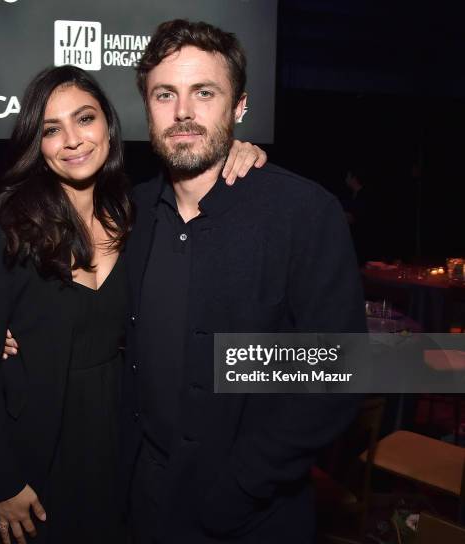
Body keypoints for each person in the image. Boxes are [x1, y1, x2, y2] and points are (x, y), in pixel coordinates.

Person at [0, 65, 265, 543]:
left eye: (85, 119)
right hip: (34, 443)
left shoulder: (137, 213)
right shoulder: (6, 229)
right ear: (36, 145)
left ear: (108, 125)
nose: (72, 140)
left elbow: (200, 184)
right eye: (51, 129)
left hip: (120, 437)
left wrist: (238, 153)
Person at [117, 20, 367, 543]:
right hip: (145, 506)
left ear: (239, 107)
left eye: (204, 93)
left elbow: (337, 372)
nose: (183, 111)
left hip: (254, 518)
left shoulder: (302, 213)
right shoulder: (130, 213)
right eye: (166, 94)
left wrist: (243, 484)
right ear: (148, 108)